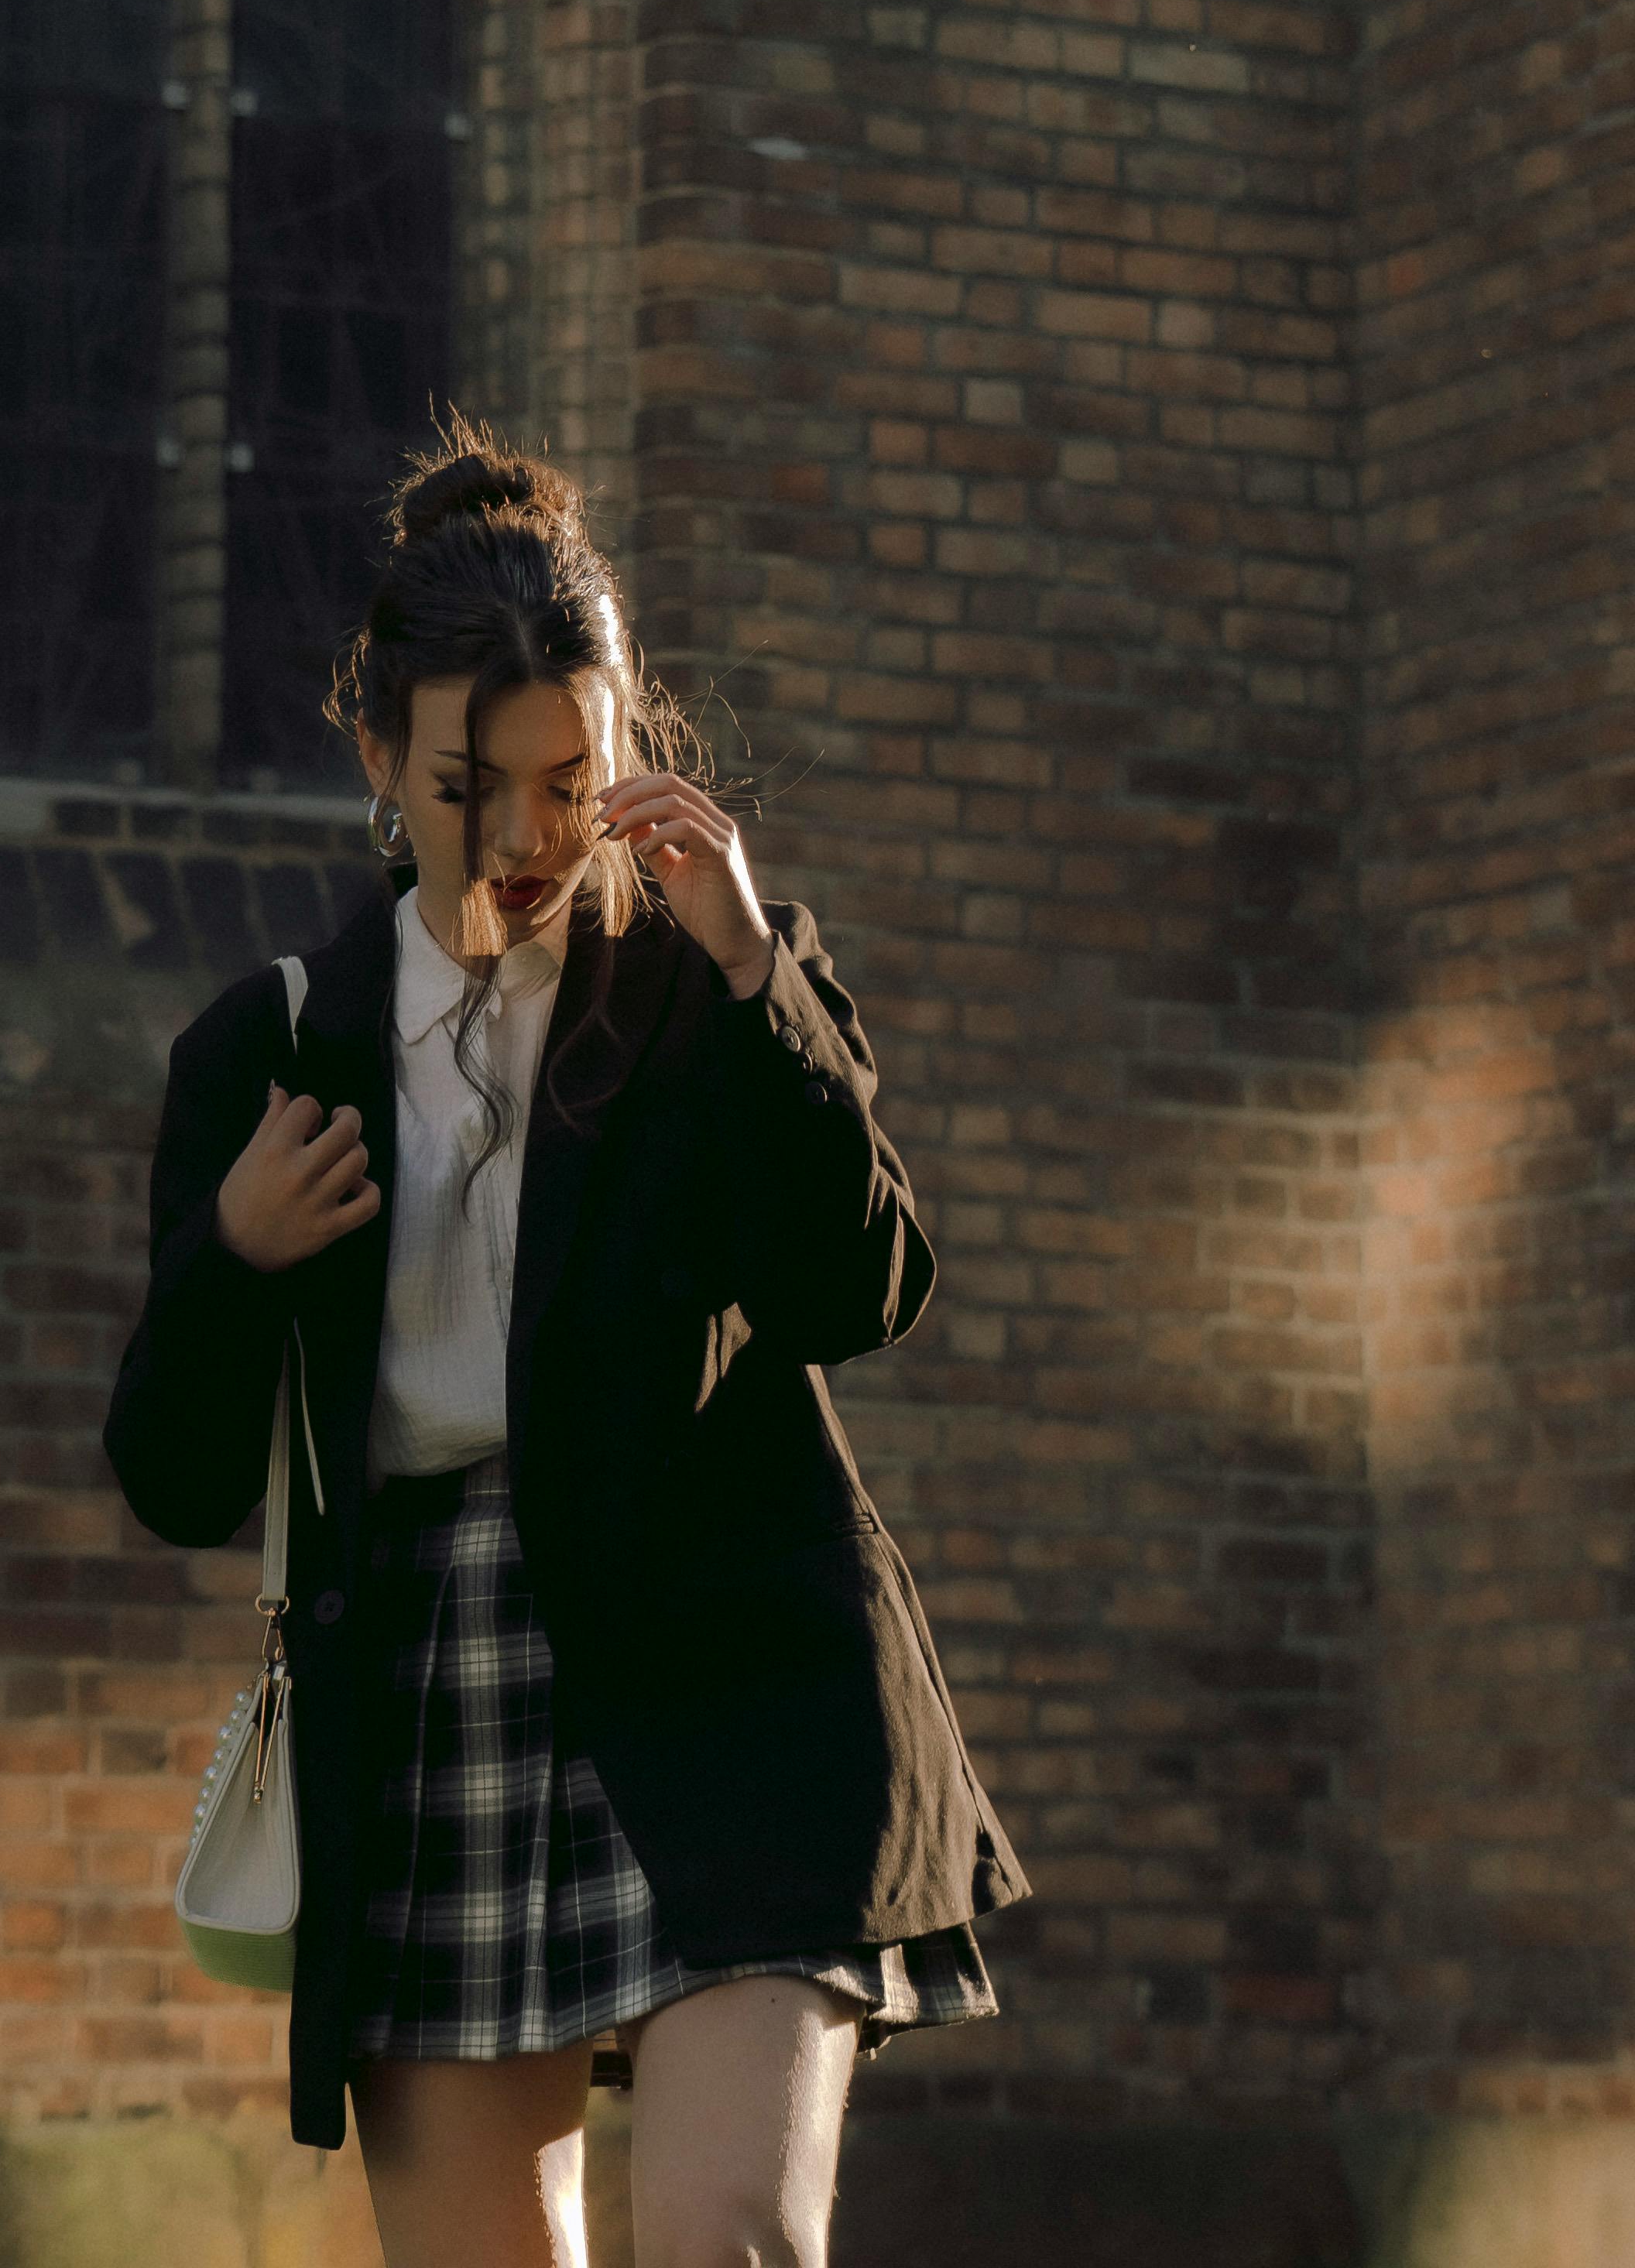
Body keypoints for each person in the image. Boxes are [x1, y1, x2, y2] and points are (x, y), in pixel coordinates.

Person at [104, 427, 1027, 2268]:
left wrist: (766, 974)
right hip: (433, 1692)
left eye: (570, 780)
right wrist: (234, 1253)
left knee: (729, 2239)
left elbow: (867, 1289)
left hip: (734, 1664)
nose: (530, 840)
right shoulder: (271, 1052)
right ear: (381, 757)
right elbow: (178, 1478)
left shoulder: (701, 981)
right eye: (473, 786)